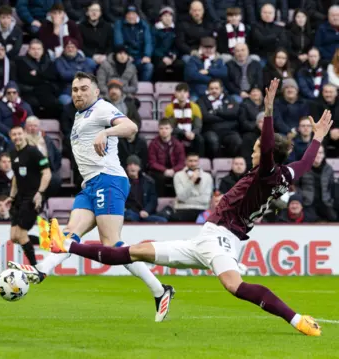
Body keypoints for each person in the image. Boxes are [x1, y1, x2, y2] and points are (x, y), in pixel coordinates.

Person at [48, 79, 328, 337]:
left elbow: (267, 147)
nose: (253, 152)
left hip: (221, 238)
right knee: (135, 251)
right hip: (206, 239)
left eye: (255, 148)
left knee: (235, 286)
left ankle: (297, 319)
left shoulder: (267, 171)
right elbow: (305, 163)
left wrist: (268, 112)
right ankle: (67, 246)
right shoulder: (285, 175)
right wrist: (316, 139)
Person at [8, 72, 175, 323]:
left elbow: (131, 127)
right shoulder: (79, 117)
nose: (78, 93)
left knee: (112, 245)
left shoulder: (101, 108)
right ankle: (41, 270)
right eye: (74, 89)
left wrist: (106, 134)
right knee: (68, 234)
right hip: (90, 184)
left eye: (84, 89)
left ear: (96, 92)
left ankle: (160, 290)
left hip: (108, 179)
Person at [3, 125, 51, 267]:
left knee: (21, 235)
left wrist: (40, 193)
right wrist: (11, 197)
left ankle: (35, 268)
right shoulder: (12, 153)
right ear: (11, 137)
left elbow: (47, 173)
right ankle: (48, 241)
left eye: (19, 134)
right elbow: (16, 178)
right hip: (19, 198)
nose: (17, 137)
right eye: (14, 135)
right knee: (14, 237)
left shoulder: (33, 152)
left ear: (24, 134)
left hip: (32, 198)